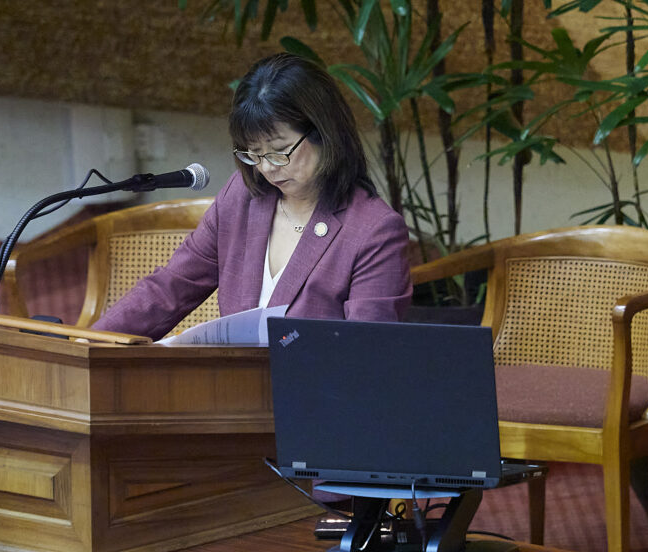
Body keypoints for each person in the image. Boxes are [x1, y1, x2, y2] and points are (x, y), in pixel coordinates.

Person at [92, 52, 412, 340]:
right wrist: (90, 344)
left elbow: (366, 353)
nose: (266, 169)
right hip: (230, 391)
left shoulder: (374, 230)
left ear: (324, 133)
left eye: (278, 152)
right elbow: (170, 288)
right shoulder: (243, 198)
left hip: (312, 400)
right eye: (253, 154)